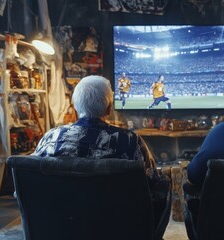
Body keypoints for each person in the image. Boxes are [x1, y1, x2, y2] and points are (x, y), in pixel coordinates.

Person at [32, 75, 170, 234]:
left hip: (60, 228)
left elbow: (33, 182)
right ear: (109, 108)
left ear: (75, 105)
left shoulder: (50, 138)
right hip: (118, 230)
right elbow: (152, 183)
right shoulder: (131, 142)